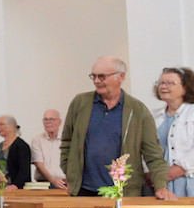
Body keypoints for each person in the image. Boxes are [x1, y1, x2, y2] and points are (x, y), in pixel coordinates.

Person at [60, 56, 174, 200]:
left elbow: (153, 154)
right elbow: (67, 143)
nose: (96, 81)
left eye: (102, 76)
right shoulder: (80, 103)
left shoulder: (137, 110)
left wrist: (161, 186)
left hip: (123, 193)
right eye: (93, 76)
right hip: (83, 190)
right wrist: (71, 175)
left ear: (121, 77)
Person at [151, 67, 194, 197]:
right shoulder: (154, 116)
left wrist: (179, 169)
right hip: (162, 184)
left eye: (170, 83)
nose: (164, 86)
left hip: (188, 178)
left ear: (185, 88)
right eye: (161, 83)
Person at [30, 110, 67, 189]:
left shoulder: (67, 139)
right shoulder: (37, 140)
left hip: (65, 183)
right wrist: (53, 180)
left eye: (51, 119)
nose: (48, 122)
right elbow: (39, 165)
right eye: (46, 119)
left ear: (59, 122)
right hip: (43, 184)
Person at [0, 115, 31, 190]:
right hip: (0, 188)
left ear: (11, 127)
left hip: (14, 189)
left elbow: (24, 170)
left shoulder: (21, 146)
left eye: (1, 124)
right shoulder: (0, 146)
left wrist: (16, 185)